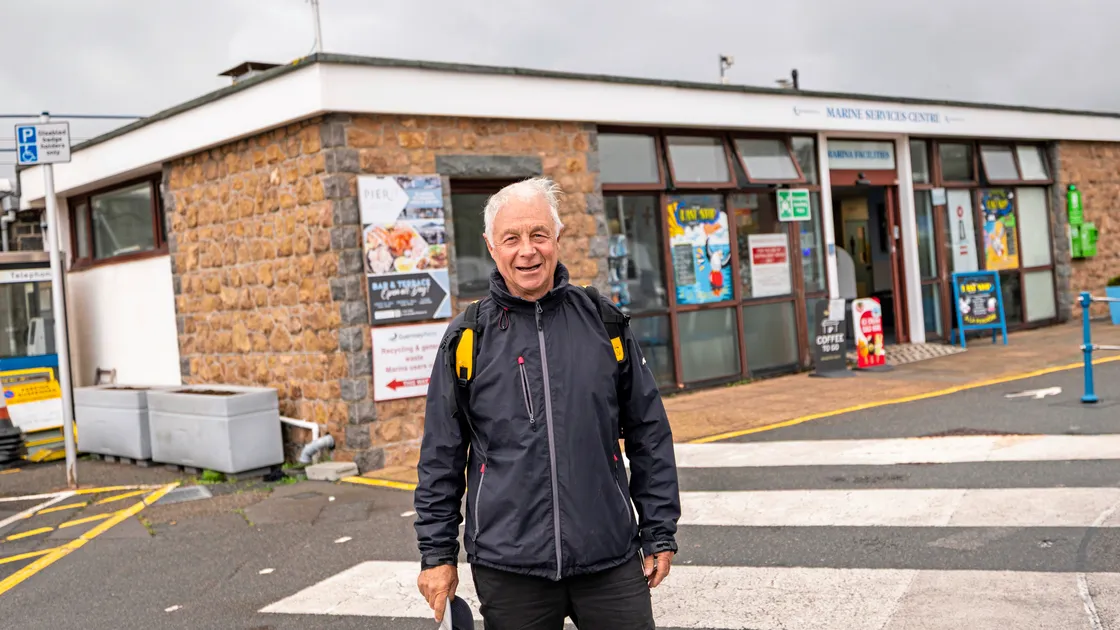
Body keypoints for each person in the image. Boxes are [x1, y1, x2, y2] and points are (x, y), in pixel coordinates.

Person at [414, 177, 681, 629]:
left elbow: (648, 431)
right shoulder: (467, 337)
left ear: (557, 238)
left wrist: (658, 529)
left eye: (539, 235)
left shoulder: (604, 322)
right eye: (512, 238)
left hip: (609, 557)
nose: (527, 251)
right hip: (509, 567)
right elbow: (441, 453)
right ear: (491, 246)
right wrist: (437, 555)